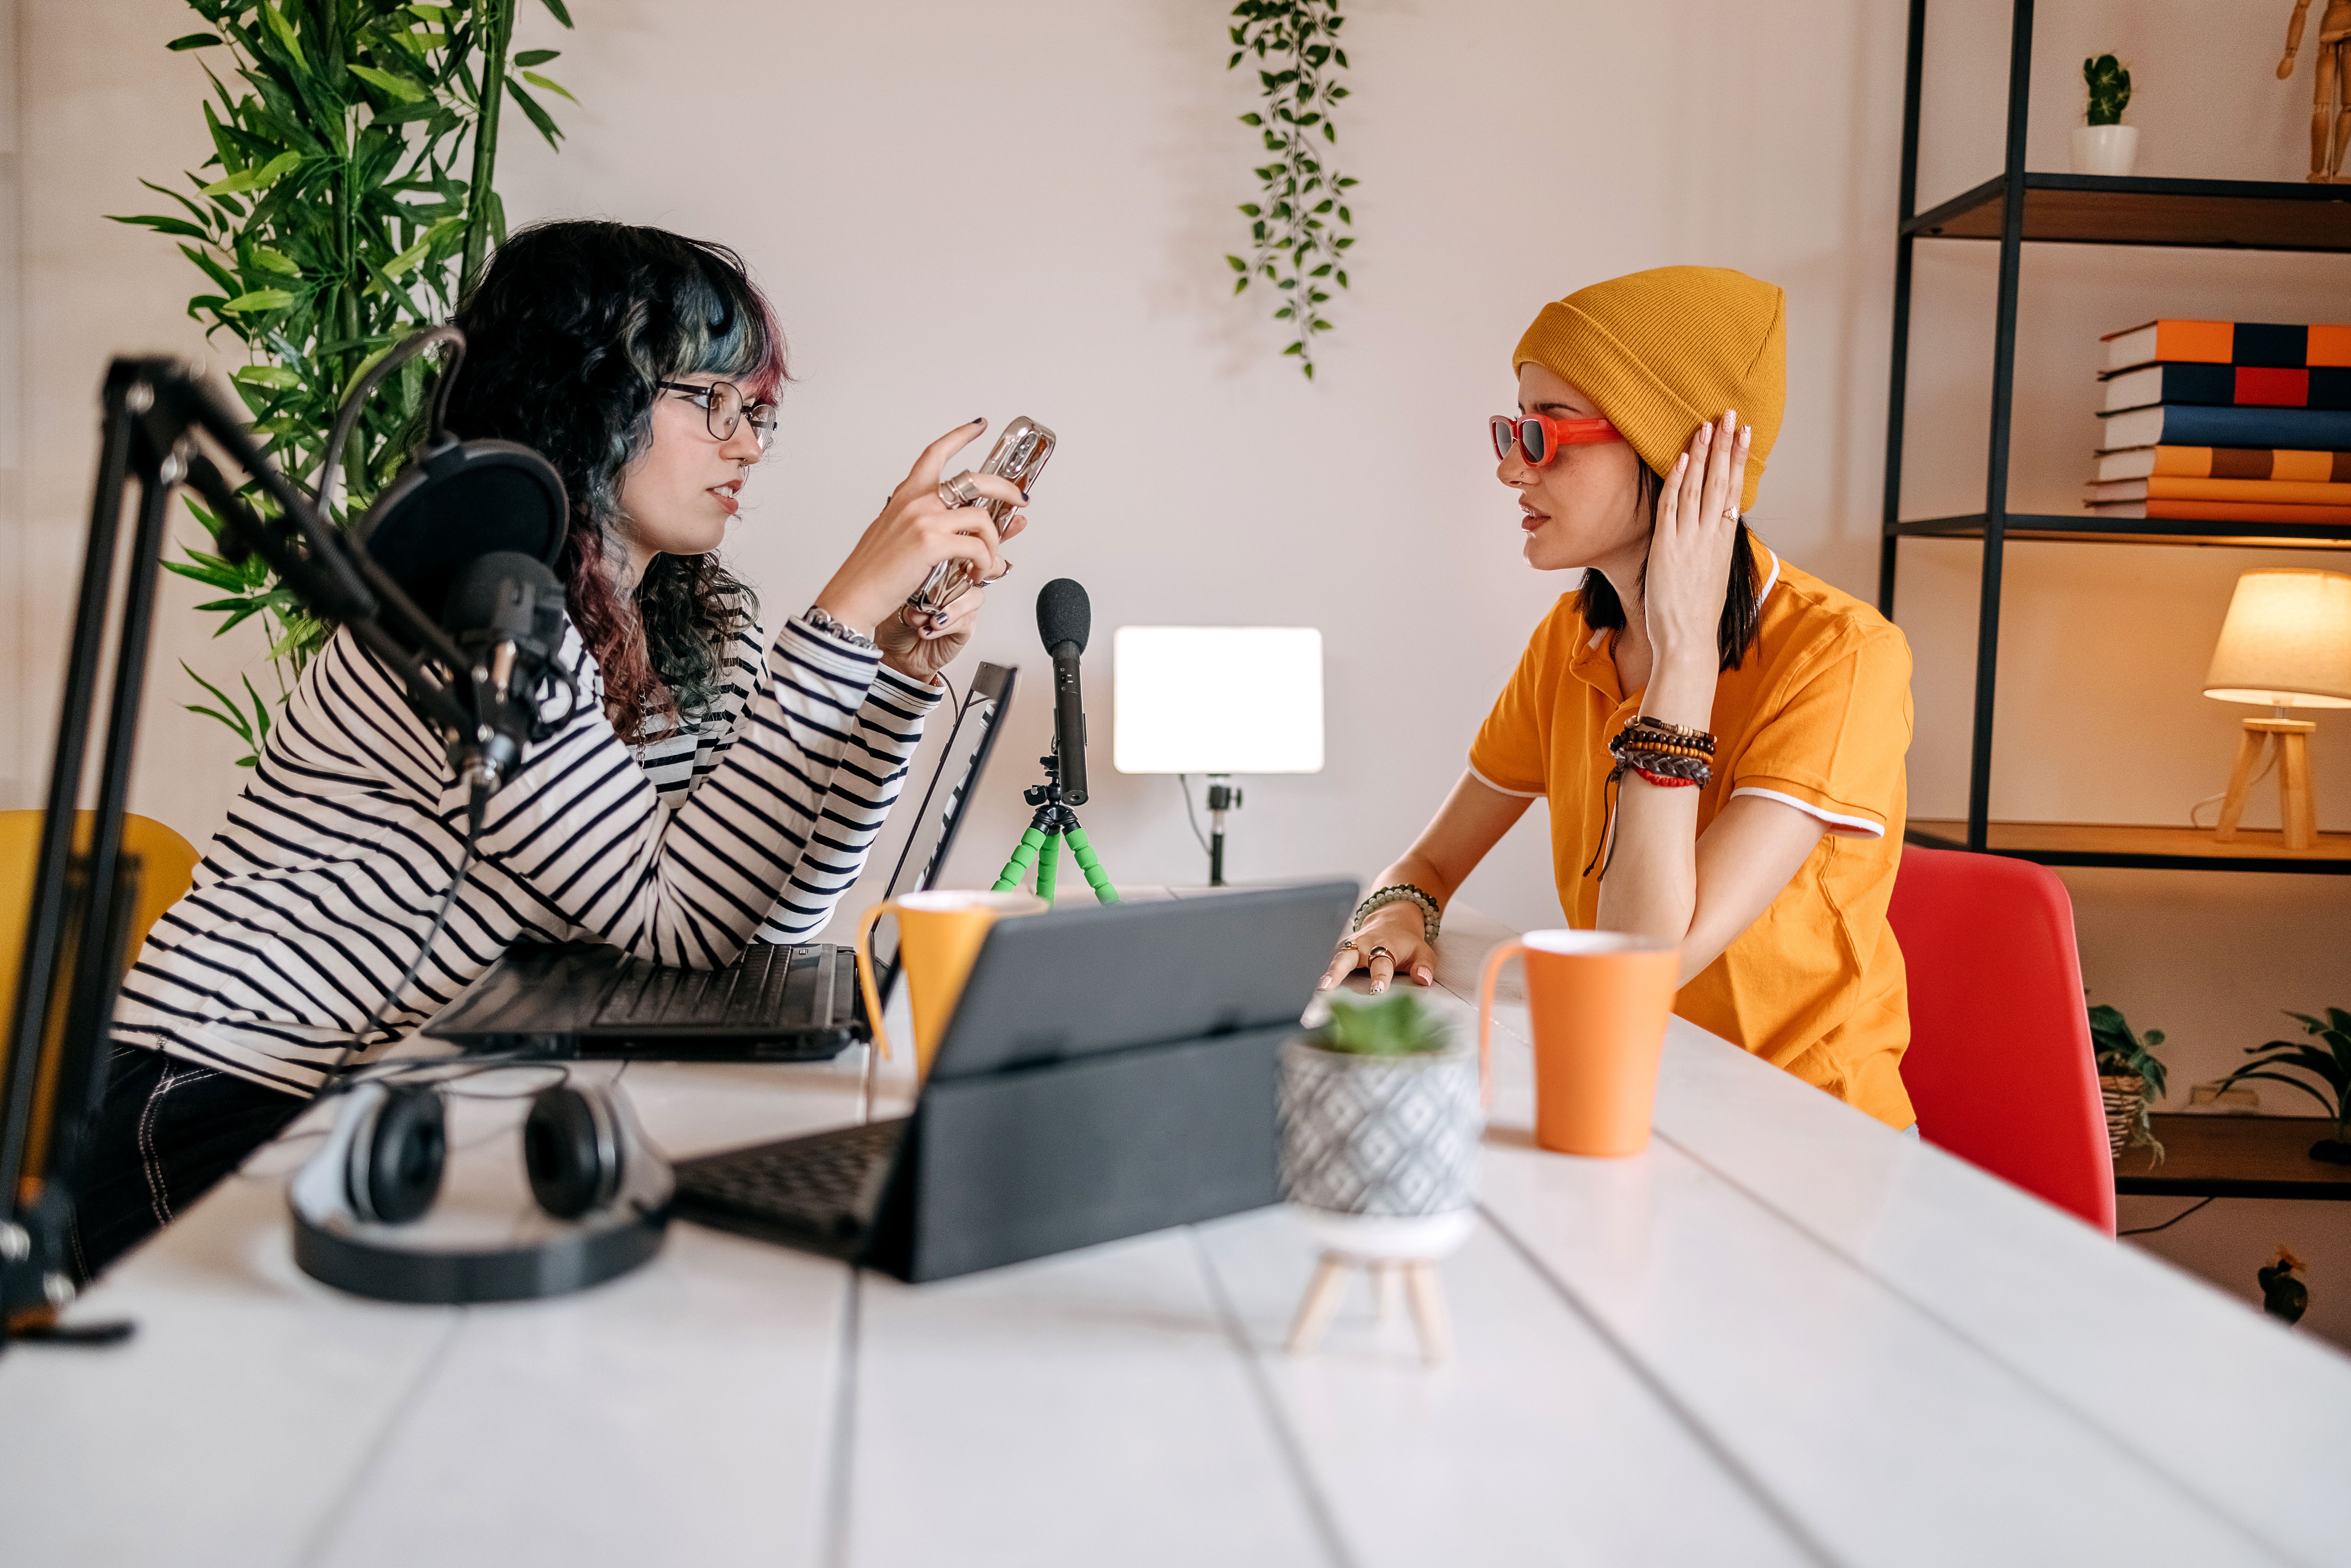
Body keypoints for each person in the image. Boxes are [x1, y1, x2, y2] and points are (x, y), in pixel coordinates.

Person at [70, 222, 1023, 1278]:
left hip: (406, 1099)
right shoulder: (472, 604)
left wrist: (891, 675)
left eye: (756, 413)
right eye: (709, 401)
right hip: (225, 1094)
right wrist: (843, 617)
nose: (746, 443)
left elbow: (758, 925)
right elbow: (675, 922)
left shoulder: (696, 629)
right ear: (585, 397)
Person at [1324, 267, 1918, 1132]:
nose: (1508, 468)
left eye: (1543, 432)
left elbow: (1645, 961)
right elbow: (1428, 866)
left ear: (1676, 455)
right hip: (1632, 1096)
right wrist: (1392, 917)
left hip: (1805, 1132)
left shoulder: (1842, 658)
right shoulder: (1569, 642)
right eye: (1509, 428)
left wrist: (1682, 660)